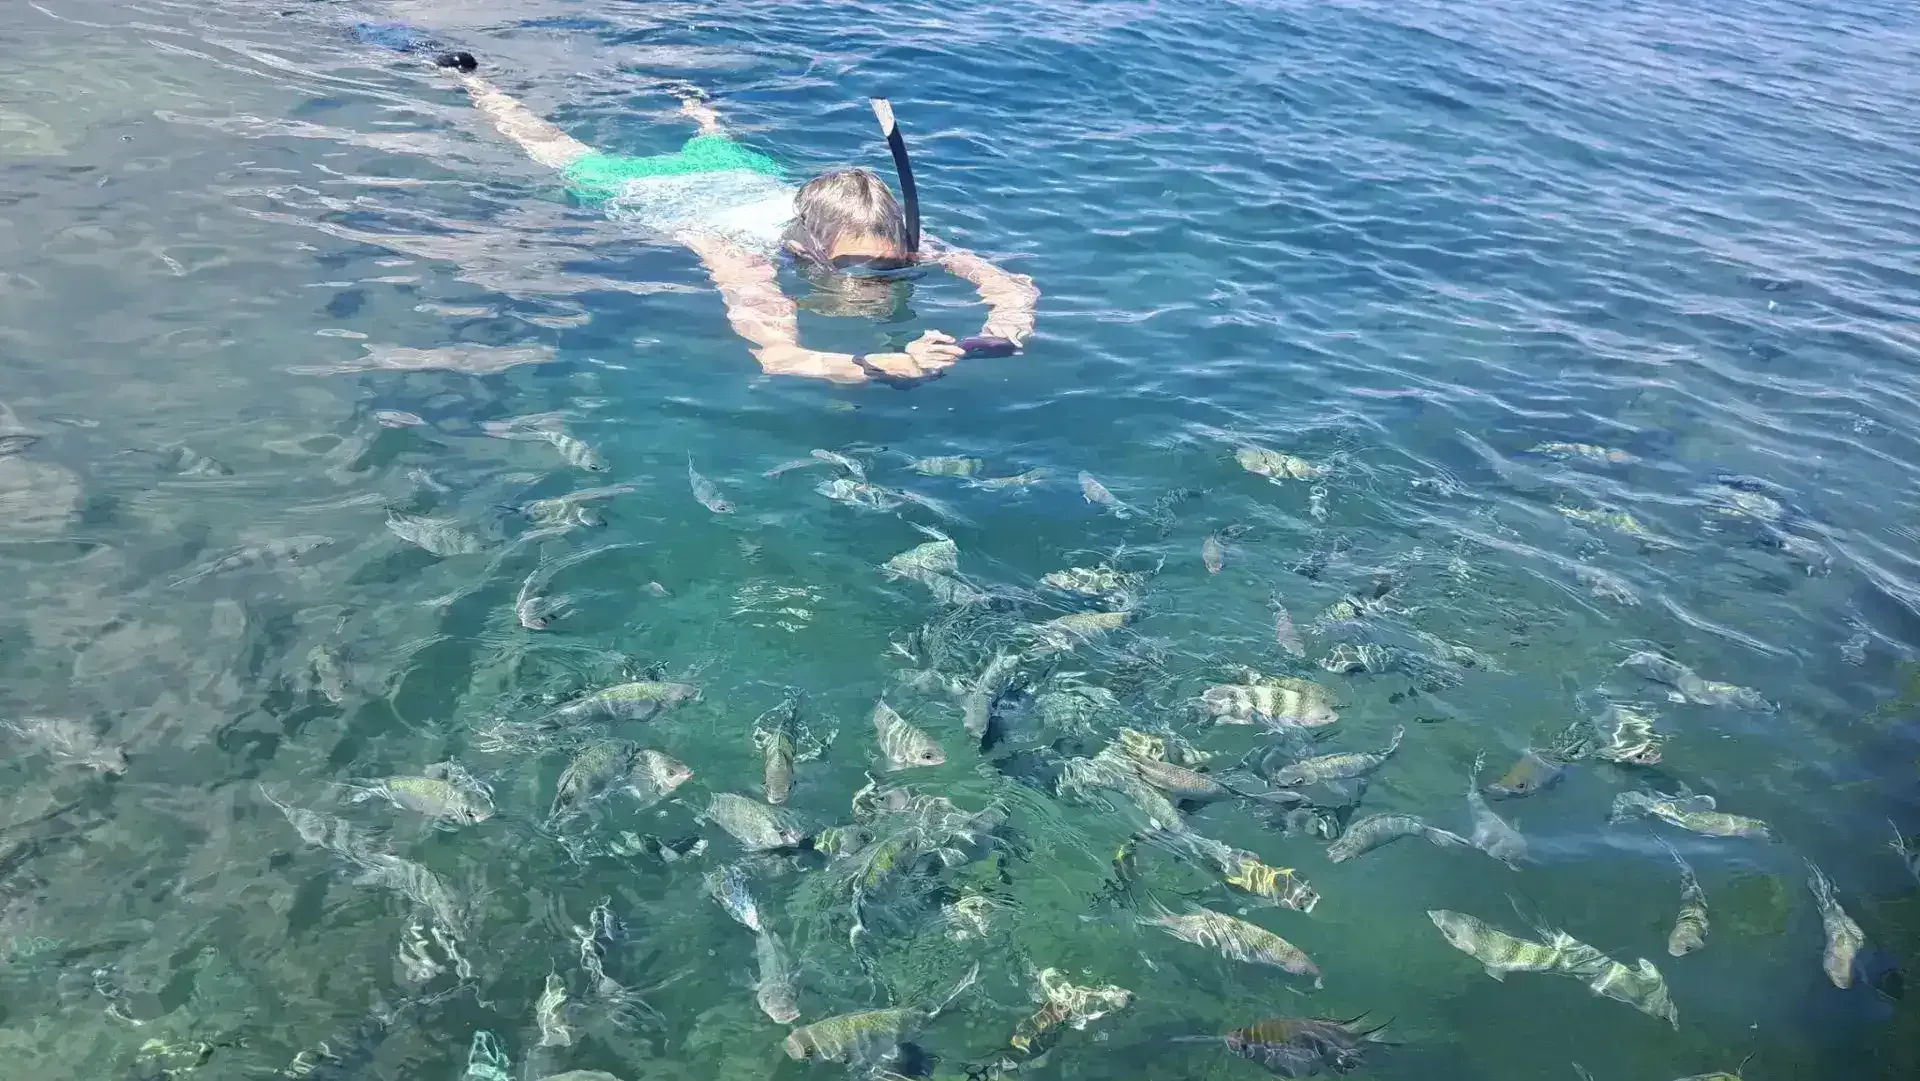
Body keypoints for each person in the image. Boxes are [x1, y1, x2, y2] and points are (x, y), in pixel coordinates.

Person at [436, 53, 1038, 385]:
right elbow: (777, 355)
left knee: (713, 135)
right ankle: (473, 83)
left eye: (890, 265)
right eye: (855, 265)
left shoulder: (895, 238)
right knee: (553, 147)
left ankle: (695, 103)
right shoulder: (739, 249)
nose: (874, 280)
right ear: (807, 249)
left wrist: (993, 337)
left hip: (737, 172)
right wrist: (884, 363)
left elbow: (1013, 286)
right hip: (663, 192)